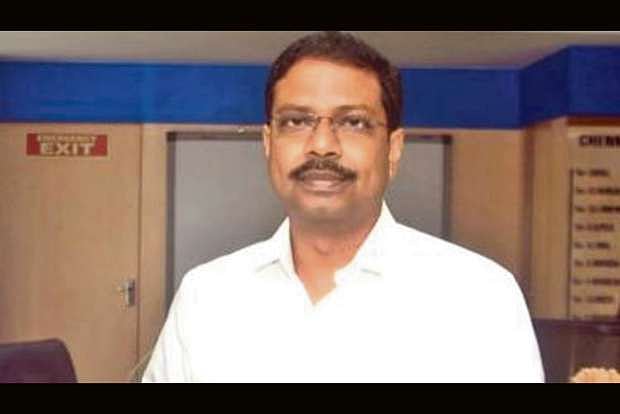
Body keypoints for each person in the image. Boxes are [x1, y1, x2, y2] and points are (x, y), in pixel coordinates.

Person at [142, 31, 544, 382]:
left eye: (353, 122)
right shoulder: (206, 297)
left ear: (393, 149)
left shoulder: (478, 297)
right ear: (268, 144)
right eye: (296, 121)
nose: (321, 145)